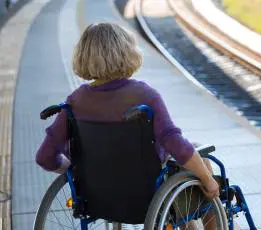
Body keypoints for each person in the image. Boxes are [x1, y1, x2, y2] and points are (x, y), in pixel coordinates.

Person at [35, 22, 219, 205]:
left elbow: (44, 157)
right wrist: (209, 181)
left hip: (100, 194)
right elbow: (174, 143)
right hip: (147, 193)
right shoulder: (145, 96)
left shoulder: (74, 102)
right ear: (127, 53)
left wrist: (77, 170)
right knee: (199, 156)